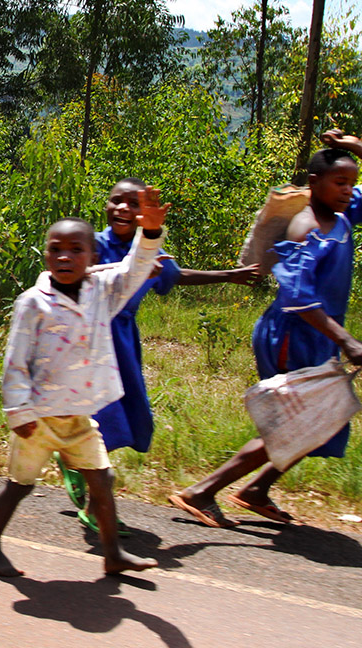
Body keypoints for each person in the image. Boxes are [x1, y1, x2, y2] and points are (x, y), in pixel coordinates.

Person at [0, 188, 169, 578]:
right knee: (20, 485)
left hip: (79, 416)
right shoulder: (33, 302)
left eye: (76, 249)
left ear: (93, 257)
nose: (65, 256)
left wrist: (151, 231)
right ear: (45, 255)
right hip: (39, 419)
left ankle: (112, 554)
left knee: (102, 481)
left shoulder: (103, 292)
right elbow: (15, 362)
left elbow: (137, 267)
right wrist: (18, 412)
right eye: (56, 249)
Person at [170, 136, 362, 527]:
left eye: (351, 183)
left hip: (319, 337)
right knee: (294, 421)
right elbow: (300, 300)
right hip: (289, 334)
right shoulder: (307, 230)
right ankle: (202, 491)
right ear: (313, 183)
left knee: (327, 419)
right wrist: (348, 340)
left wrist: (357, 146)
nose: (347, 190)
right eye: (339, 183)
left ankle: (256, 489)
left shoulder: (342, 216)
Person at [57, 178, 260, 532]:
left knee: (128, 421)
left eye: (133, 204)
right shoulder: (92, 245)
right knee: (104, 422)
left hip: (122, 342)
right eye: (116, 201)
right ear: (106, 206)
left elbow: (176, 275)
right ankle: (96, 505)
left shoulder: (147, 248)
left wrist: (231, 275)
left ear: (144, 214)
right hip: (89, 341)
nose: (123, 208)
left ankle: (71, 460)